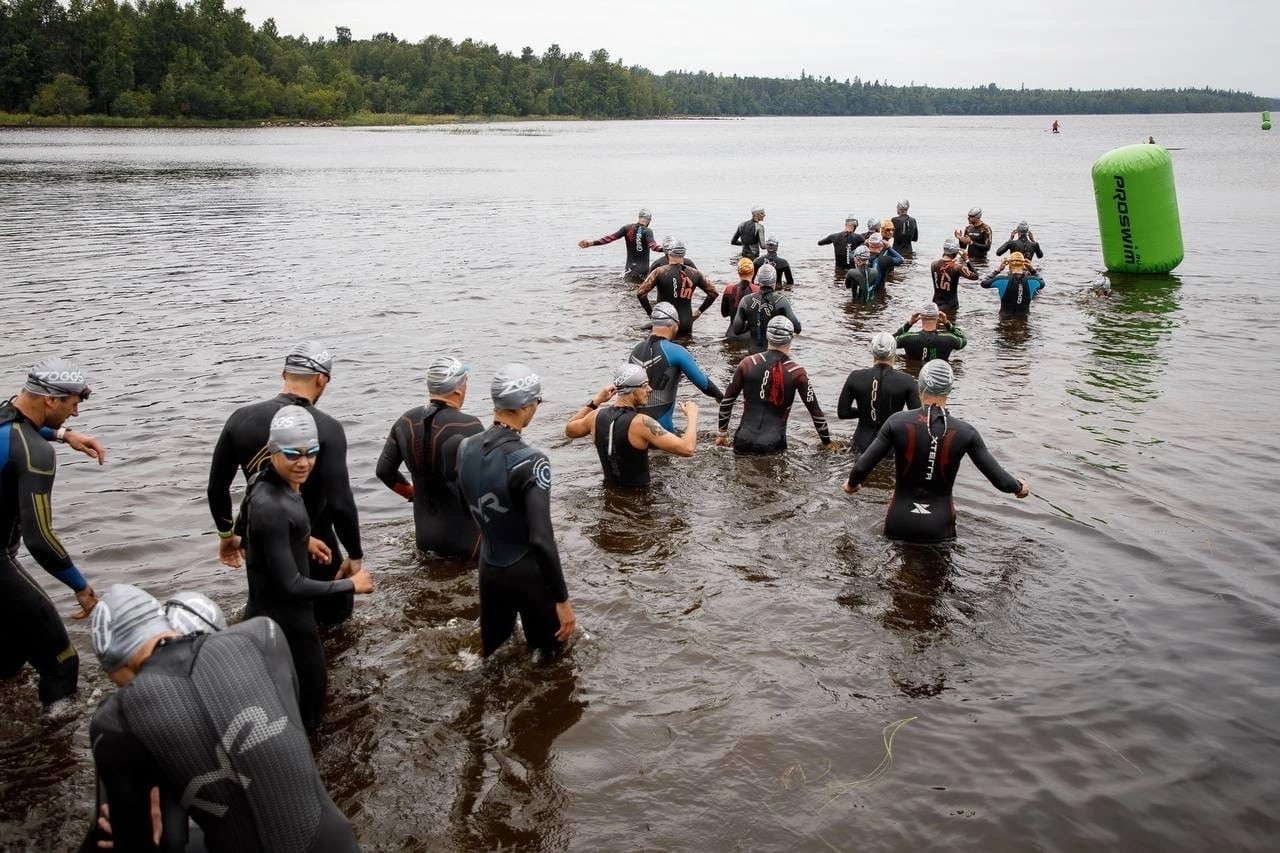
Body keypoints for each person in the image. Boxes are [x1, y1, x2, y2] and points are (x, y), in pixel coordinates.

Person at [83, 583, 359, 852]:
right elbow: (291, 719)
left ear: (116, 659)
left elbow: (155, 841)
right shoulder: (262, 634)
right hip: (336, 841)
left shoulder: (114, 718)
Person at [236, 406, 374, 730]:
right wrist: (352, 585)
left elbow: (243, 530)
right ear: (272, 450)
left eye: (311, 453)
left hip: (261, 618)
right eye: (293, 454)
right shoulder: (276, 506)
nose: (304, 463)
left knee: (276, 710)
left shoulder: (260, 481)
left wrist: (302, 539)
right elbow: (292, 586)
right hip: (293, 629)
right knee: (312, 721)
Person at [207, 341, 363, 627]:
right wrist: (355, 554)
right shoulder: (327, 427)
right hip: (320, 550)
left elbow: (217, 488)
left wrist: (227, 535)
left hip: (264, 546)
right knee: (334, 633)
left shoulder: (241, 419)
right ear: (321, 379)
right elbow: (340, 502)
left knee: (271, 622)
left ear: (284, 374)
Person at [1, 359, 105, 710]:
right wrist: (80, 586)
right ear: (50, 400)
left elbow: (18, 427)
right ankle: (54, 746)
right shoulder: (35, 453)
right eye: (72, 405)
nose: (75, 414)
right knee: (61, 662)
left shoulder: (5, 415)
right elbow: (40, 539)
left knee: (12, 648)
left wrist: (64, 435)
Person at [456, 365, 576, 658]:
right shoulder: (531, 461)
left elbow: (465, 504)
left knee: (492, 659)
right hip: (527, 572)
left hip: (490, 569)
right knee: (552, 661)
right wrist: (562, 600)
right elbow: (541, 540)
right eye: (538, 401)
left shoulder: (464, 447)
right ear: (527, 405)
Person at [842, 360, 1030, 542]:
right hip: (939, 524)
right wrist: (1019, 487)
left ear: (920, 387)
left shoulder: (896, 422)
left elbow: (861, 467)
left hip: (899, 519)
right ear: (949, 389)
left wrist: (852, 485)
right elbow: (1000, 480)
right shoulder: (966, 432)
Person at [375, 356, 484, 559]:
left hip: (425, 538)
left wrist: (413, 494)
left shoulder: (405, 421)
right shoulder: (469, 426)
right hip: (467, 541)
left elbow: (384, 471)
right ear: (459, 388)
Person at [564, 364, 700, 488]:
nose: (650, 389)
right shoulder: (642, 423)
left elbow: (570, 430)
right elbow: (687, 449)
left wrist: (596, 401)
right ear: (633, 390)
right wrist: (692, 415)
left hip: (609, 493)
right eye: (645, 385)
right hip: (640, 501)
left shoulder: (595, 416)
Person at [717, 316, 831, 454]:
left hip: (742, 440)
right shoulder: (797, 372)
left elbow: (727, 402)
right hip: (773, 444)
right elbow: (816, 412)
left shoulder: (747, 363)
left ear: (767, 335)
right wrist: (827, 443)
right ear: (791, 338)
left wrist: (722, 434)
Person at [628, 302, 723, 430]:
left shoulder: (635, 350)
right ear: (675, 325)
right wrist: (722, 398)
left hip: (632, 428)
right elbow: (704, 384)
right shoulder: (675, 351)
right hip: (662, 431)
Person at [837, 332, 921, 453]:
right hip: (891, 446)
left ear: (872, 350)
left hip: (860, 443)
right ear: (894, 352)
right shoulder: (907, 381)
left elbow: (843, 413)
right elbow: (918, 418)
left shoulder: (855, 377)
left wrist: (866, 412)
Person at [637, 241, 718, 336]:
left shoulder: (660, 272)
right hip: (686, 322)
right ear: (684, 254)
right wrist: (699, 311)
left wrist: (651, 314)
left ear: (669, 253)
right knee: (685, 347)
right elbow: (713, 293)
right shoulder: (695, 273)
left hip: (665, 321)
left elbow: (641, 293)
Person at [578, 208, 664, 281]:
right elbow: (654, 247)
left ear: (639, 217)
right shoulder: (647, 231)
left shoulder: (626, 228)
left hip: (629, 269)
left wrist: (590, 243)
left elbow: (609, 238)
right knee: (639, 295)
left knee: (628, 292)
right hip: (642, 271)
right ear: (649, 220)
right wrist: (667, 249)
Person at [732, 264, 802, 352]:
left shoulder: (745, 301)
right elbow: (797, 328)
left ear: (758, 280)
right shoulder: (781, 301)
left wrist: (751, 323)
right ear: (774, 281)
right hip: (773, 354)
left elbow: (737, 329)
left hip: (753, 353)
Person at [894, 303, 968, 364]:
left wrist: (909, 324)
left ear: (921, 317)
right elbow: (963, 340)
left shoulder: (908, 337)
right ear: (938, 317)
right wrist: (947, 323)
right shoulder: (949, 338)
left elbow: (890, 341)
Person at [929, 239, 978, 316]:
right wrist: (967, 260)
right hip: (951, 305)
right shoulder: (958, 267)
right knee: (950, 326)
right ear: (955, 252)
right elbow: (975, 276)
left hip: (936, 304)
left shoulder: (933, 264)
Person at [721, 258, 760, 341]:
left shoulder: (729, 289)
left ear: (738, 272)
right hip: (749, 336)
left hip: (731, 334)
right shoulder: (758, 290)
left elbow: (724, 313)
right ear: (753, 272)